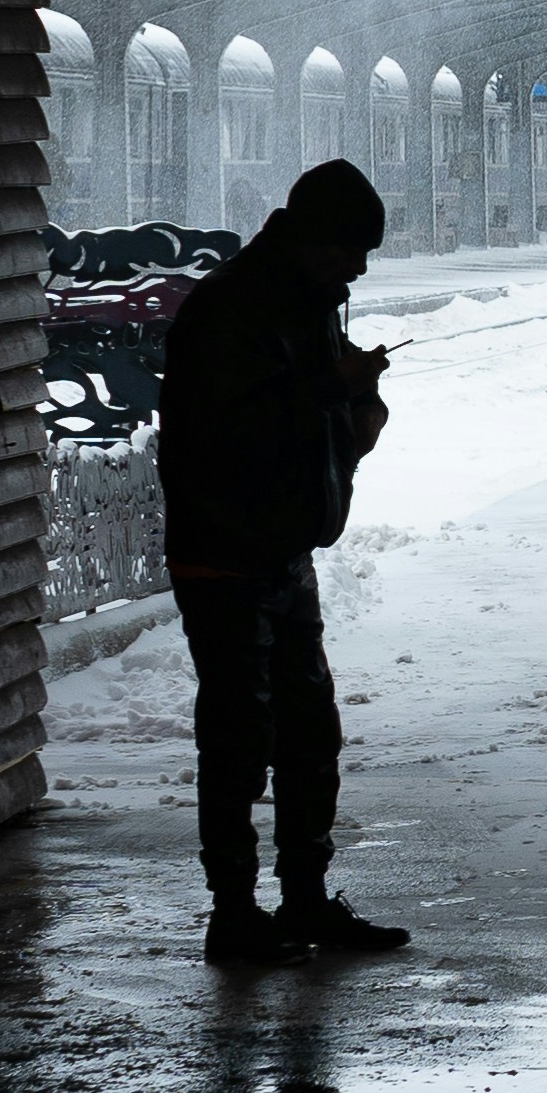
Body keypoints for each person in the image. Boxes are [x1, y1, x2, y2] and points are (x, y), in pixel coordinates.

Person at [159, 160, 413, 965]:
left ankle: (304, 900)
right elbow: (233, 429)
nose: (361, 268)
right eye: (351, 250)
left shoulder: (306, 303)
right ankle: (233, 915)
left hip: (283, 552)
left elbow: (308, 421)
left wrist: (356, 412)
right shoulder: (231, 308)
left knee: (310, 734)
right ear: (311, 237)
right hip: (223, 554)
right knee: (237, 738)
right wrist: (328, 387)